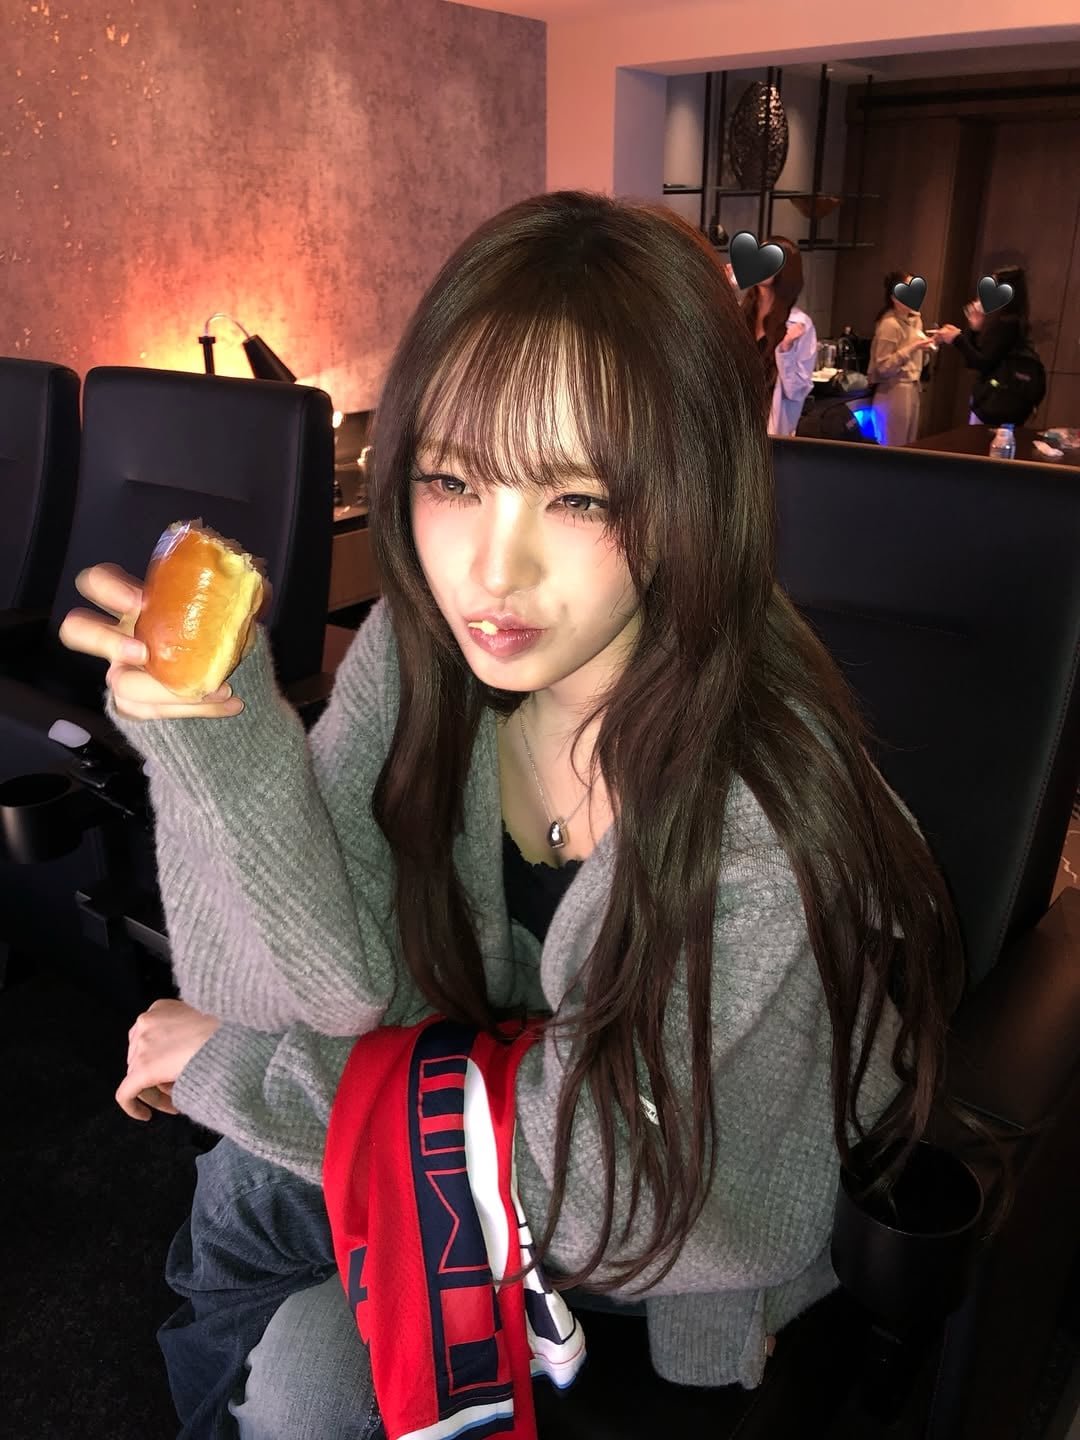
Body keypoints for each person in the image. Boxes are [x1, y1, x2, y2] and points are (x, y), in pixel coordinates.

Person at [62, 192, 976, 1439]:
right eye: (452, 479)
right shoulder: (420, 655)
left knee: (263, 1252)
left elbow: (620, 1184)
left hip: (666, 1237)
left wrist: (233, 1071)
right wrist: (218, 741)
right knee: (277, 1305)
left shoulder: (759, 815)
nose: (491, 573)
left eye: (579, 499)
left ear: (692, 494)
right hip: (478, 1127)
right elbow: (323, 989)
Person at [933, 266, 1039, 425]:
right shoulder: (1011, 321)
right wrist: (974, 329)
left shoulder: (1007, 324)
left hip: (996, 402)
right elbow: (976, 359)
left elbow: (982, 363)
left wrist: (957, 338)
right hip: (999, 401)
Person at [739, 235, 817, 436]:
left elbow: (797, 391)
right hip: (734, 421)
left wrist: (786, 349)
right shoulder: (739, 313)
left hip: (768, 428)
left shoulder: (799, 324)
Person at [867, 271, 939, 446]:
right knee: (893, 445)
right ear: (895, 297)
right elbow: (883, 367)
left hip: (913, 387)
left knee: (909, 445)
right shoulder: (889, 324)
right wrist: (912, 347)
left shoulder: (915, 320)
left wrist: (927, 347)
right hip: (893, 390)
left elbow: (919, 362)